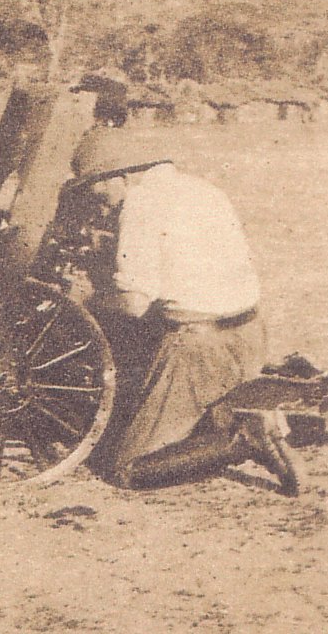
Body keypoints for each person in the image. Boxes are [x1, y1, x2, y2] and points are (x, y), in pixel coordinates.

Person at [67, 128, 300, 494]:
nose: (101, 203)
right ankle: (230, 416)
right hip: (249, 333)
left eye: (98, 189)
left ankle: (244, 440)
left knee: (125, 468)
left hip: (201, 347)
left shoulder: (140, 206)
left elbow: (134, 303)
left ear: (122, 175)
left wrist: (82, 300)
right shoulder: (201, 188)